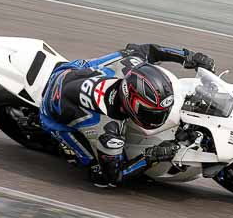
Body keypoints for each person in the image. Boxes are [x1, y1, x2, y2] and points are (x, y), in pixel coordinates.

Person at [39, 43, 215, 187]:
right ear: (131, 105)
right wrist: (152, 156)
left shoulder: (131, 61)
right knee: (100, 174)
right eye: (151, 113)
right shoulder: (107, 129)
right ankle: (70, 148)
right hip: (53, 111)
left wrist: (188, 57)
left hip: (71, 71)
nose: (158, 117)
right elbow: (116, 175)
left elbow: (152, 50)